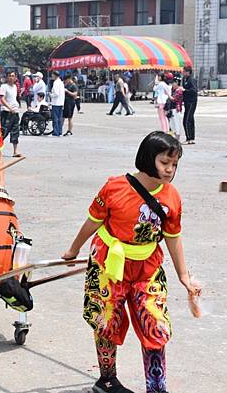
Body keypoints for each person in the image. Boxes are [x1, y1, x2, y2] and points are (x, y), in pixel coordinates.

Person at [63, 131, 200, 393]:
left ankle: (157, 387)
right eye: (164, 163)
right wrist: (73, 249)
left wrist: (184, 275)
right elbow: (93, 220)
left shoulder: (172, 196)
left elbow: (173, 236)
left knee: (155, 324)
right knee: (106, 321)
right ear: (148, 159)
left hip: (147, 266)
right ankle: (106, 380)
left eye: (175, 164)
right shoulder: (114, 187)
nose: (170, 170)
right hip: (108, 264)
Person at [0, 71, 22, 157]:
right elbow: (2, 99)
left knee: (15, 131)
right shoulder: (4, 86)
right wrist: (9, 108)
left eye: (13, 76)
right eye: (10, 76)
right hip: (6, 112)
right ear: (7, 77)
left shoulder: (15, 87)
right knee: (4, 131)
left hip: (15, 112)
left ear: (16, 78)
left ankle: (15, 151)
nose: (11, 77)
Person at [182, 66, 197, 144]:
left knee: (186, 121)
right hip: (186, 102)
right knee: (190, 120)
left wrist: (185, 90)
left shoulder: (191, 80)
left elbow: (194, 91)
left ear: (188, 72)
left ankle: (188, 138)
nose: (183, 73)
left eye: (184, 71)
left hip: (191, 102)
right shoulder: (184, 79)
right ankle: (191, 138)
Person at [49, 71, 64, 137]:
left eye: (52, 75)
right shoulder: (61, 82)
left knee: (55, 118)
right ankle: (59, 131)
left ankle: (55, 132)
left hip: (56, 102)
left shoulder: (56, 83)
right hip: (60, 102)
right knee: (59, 118)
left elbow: (56, 94)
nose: (52, 76)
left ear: (55, 75)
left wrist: (50, 95)